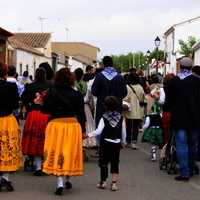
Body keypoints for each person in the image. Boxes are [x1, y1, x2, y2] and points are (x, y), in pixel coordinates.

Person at [40, 67, 86, 196]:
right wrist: (83, 130)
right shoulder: (76, 94)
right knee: (69, 152)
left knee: (57, 152)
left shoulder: (52, 92)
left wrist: (41, 103)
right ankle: (68, 179)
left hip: (56, 125)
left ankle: (59, 183)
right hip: (72, 125)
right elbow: (81, 114)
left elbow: (45, 110)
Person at [83, 96, 126, 191]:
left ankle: (103, 181)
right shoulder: (120, 118)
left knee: (104, 162)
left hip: (106, 142)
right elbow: (123, 132)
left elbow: (98, 131)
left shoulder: (104, 118)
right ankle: (114, 183)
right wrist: (122, 142)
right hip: (116, 142)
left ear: (105, 107)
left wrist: (88, 135)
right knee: (115, 162)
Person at [169, 56, 200, 181]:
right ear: (191, 67)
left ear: (180, 66)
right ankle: (191, 168)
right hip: (195, 116)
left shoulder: (174, 81)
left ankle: (185, 172)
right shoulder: (197, 81)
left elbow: (169, 99)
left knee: (181, 143)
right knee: (193, 144)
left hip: (179, 116)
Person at [21, 67, 54, 176]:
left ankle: (38, 167)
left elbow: (24, 99)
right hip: (46, 114)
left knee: (34, 138)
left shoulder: (30, 86)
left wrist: (28, 107)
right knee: (45, 138)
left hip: (33, 114)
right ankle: (47, 165)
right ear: (45, 75)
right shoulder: (50, 86)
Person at [0, 62, 23, 192]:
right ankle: (5, 177)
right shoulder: (11, 86)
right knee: (7, 148)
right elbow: (15, 106)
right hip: (7, 120)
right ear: (5, 72)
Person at [92, 56, 127, 128]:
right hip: (116, 107)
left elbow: (94, 91)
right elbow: (124, 92)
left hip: (102, 106)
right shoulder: (120, 77)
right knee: (116, 128)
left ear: (103, 64)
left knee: (101, 127)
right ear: (113, 63)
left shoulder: (99, 76)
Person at [74, 68, 97, 161]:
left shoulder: (72, 85)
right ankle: (84, 145)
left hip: (75, 108)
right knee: (87, 126)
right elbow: (91, 98)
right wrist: (92, 108)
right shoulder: (87, 85)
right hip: (85, 107)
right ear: (82, 76)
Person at [122, 72, 146, 149]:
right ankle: (134, 142)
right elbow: (143, 98)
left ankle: (128, 140)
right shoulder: (140, 87)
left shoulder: (127, 87)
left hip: (129, 109)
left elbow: (126, 98)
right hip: (138, 109)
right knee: (136, 126)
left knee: (128, 125)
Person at [161, 73, 175, 147]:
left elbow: (161, 101)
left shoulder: (162, 90)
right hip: (175, 113)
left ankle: (166, 146)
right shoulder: (177, 89)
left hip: (166, 112)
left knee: (166, 132)